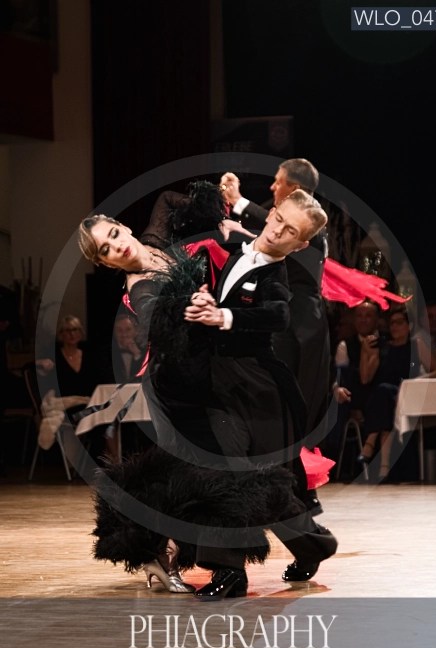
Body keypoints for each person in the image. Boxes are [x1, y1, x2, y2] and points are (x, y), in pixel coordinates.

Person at [78, 204, 333, 599]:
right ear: (105, 262)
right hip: (178, 389)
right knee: (216, 473)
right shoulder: (140, 285)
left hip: (215, 375)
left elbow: (169, 200)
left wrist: (222, 216)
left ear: (123, 227)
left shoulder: (159, 243)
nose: (116, 247)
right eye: (105, 251)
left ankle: (307, 546)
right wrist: (192, 308)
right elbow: (160, 324)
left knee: (250, 471)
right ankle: (220, 568)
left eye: (113, 235)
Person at [184, 189, 338, 599]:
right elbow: (220, 291)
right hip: (221, 383)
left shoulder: (276, 275)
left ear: (300, 245)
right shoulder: (239, 250)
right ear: (270, 214)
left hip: (259, 389)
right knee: (225, 470)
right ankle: (233, 571)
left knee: (268, 483)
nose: (278, 232)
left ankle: (306, 548)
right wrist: (205, 301)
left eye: (291, 232)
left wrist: (224, 315)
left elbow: (278, 314)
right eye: (279, 220)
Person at [220, 160, 329, 448]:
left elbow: (272, 230)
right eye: (277, 218)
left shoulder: (312, 226)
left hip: (298, 329)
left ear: (294, 188)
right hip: (288, 327)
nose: (272, 186)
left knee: (288, 402)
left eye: (278, 181)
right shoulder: (273, 235)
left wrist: (238, 200)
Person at [358, 306, 434, 479]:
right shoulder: (383, 347)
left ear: (409, 325)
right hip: (383, 401)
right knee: (384, 396)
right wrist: (367, 353)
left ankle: (370, 444)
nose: (394, 327)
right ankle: (384, 467)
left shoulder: (416, 345)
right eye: (392, 323)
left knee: (385, 395)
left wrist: (417, 382)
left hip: (407, 397)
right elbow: (365, 378)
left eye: (399, 322)